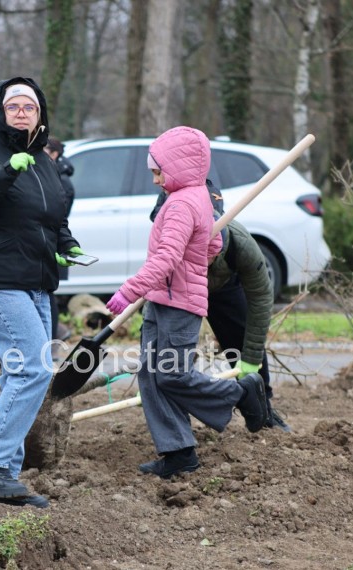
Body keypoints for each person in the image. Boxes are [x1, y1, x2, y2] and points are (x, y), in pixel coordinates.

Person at [0, 77, 85, 507]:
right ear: (0, 112)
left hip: (38, 285)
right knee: (32, 370)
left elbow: (51, 214)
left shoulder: (44, 161)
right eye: (14, 106)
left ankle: (5, 473)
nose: (22, 112)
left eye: (30, 106)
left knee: (21, 374)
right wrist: (6, 172)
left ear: (40, 113)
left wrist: (67, 244)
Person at [104, 126, 270, 479]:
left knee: (172, 374)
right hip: (162, 298)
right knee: (150, 374)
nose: (154, 181)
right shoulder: (199, 197)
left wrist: (128, 291)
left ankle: (239, 394)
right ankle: (178, 452)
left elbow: (165, 259)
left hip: (179, 303)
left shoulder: (180, 204)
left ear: (178, 167)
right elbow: (211, 245)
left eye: (157, 171)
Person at [151, 185, 291, 432]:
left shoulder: (240, 243)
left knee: (242, 336)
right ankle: (175, 426)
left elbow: (261, 296)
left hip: (223, 286)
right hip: (179, 286)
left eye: (210, 252)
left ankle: (262, 407)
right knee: (163, 360)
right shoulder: (168, 232)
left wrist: (251, 360)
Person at [44, 136, 76, 343]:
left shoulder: (61, 181)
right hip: (49, 241)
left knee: (48, 295)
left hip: (53, 242)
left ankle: (54, 339)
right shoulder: (51, 175)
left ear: (55, 154)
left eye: (46, 151)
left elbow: (57, 216)